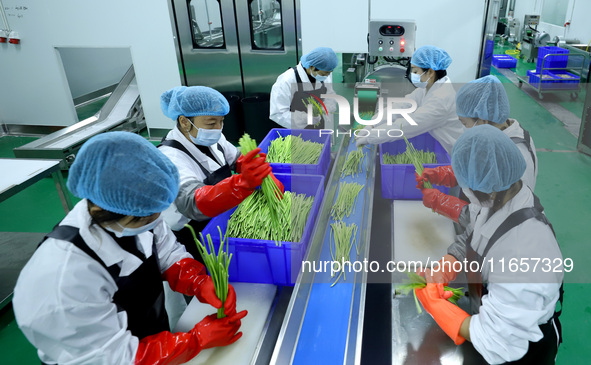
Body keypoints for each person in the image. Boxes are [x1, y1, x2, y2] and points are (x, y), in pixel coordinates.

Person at [13, 132, 247, 364]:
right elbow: (114, 358)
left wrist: (196, 281)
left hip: (153, 338)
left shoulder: (134, 213)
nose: (155, 222)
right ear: (102, 210)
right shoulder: (64, 278)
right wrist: (195, 340)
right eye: (145, 219)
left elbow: (166, 250)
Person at [415, 125, 563, 364]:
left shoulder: (523, 253)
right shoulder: (503, 197)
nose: (464, 190)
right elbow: (477, 230)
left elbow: (498, 341)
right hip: (496, 310)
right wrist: (449, 263)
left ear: (484, 186)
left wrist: (440, 309)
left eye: (465, 183)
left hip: (521, 350)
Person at [159, 86, 283, 259]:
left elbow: (237, 159)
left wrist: (262, 175)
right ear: (184, 121)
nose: (218, 128)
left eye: (221, 121)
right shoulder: (170, 158)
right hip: (194, 234)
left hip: (220, 218)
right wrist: (242, 184)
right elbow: (191, 202)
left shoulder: (213, 137)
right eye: (211, 123)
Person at [416, 75, 538, 224]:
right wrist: (445, 174)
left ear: (483, 120)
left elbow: (493, 218)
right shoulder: (499, 136)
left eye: (465, 123)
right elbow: (484, 171)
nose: (464, 129)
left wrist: (442, 202)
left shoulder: (515, 154)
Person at [355, 45, 464, 154]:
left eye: (415, 72)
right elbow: (402, 106)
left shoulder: (441, 100)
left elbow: (407, 126)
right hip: (438, 145)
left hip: (449, 153)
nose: (412, 75)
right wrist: (373, 123)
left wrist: (372, 136)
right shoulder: (427, 88)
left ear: (430, 72)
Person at [270, 46, 339, 129]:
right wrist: (304, 118)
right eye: (324, 74)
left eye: (329, 73)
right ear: (312, 67)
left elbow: (330, 96)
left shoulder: (324, 73)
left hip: (319, 126)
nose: (327, 76)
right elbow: (278, 114)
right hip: (295, 130)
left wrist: (327, 107)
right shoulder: (286, 81)